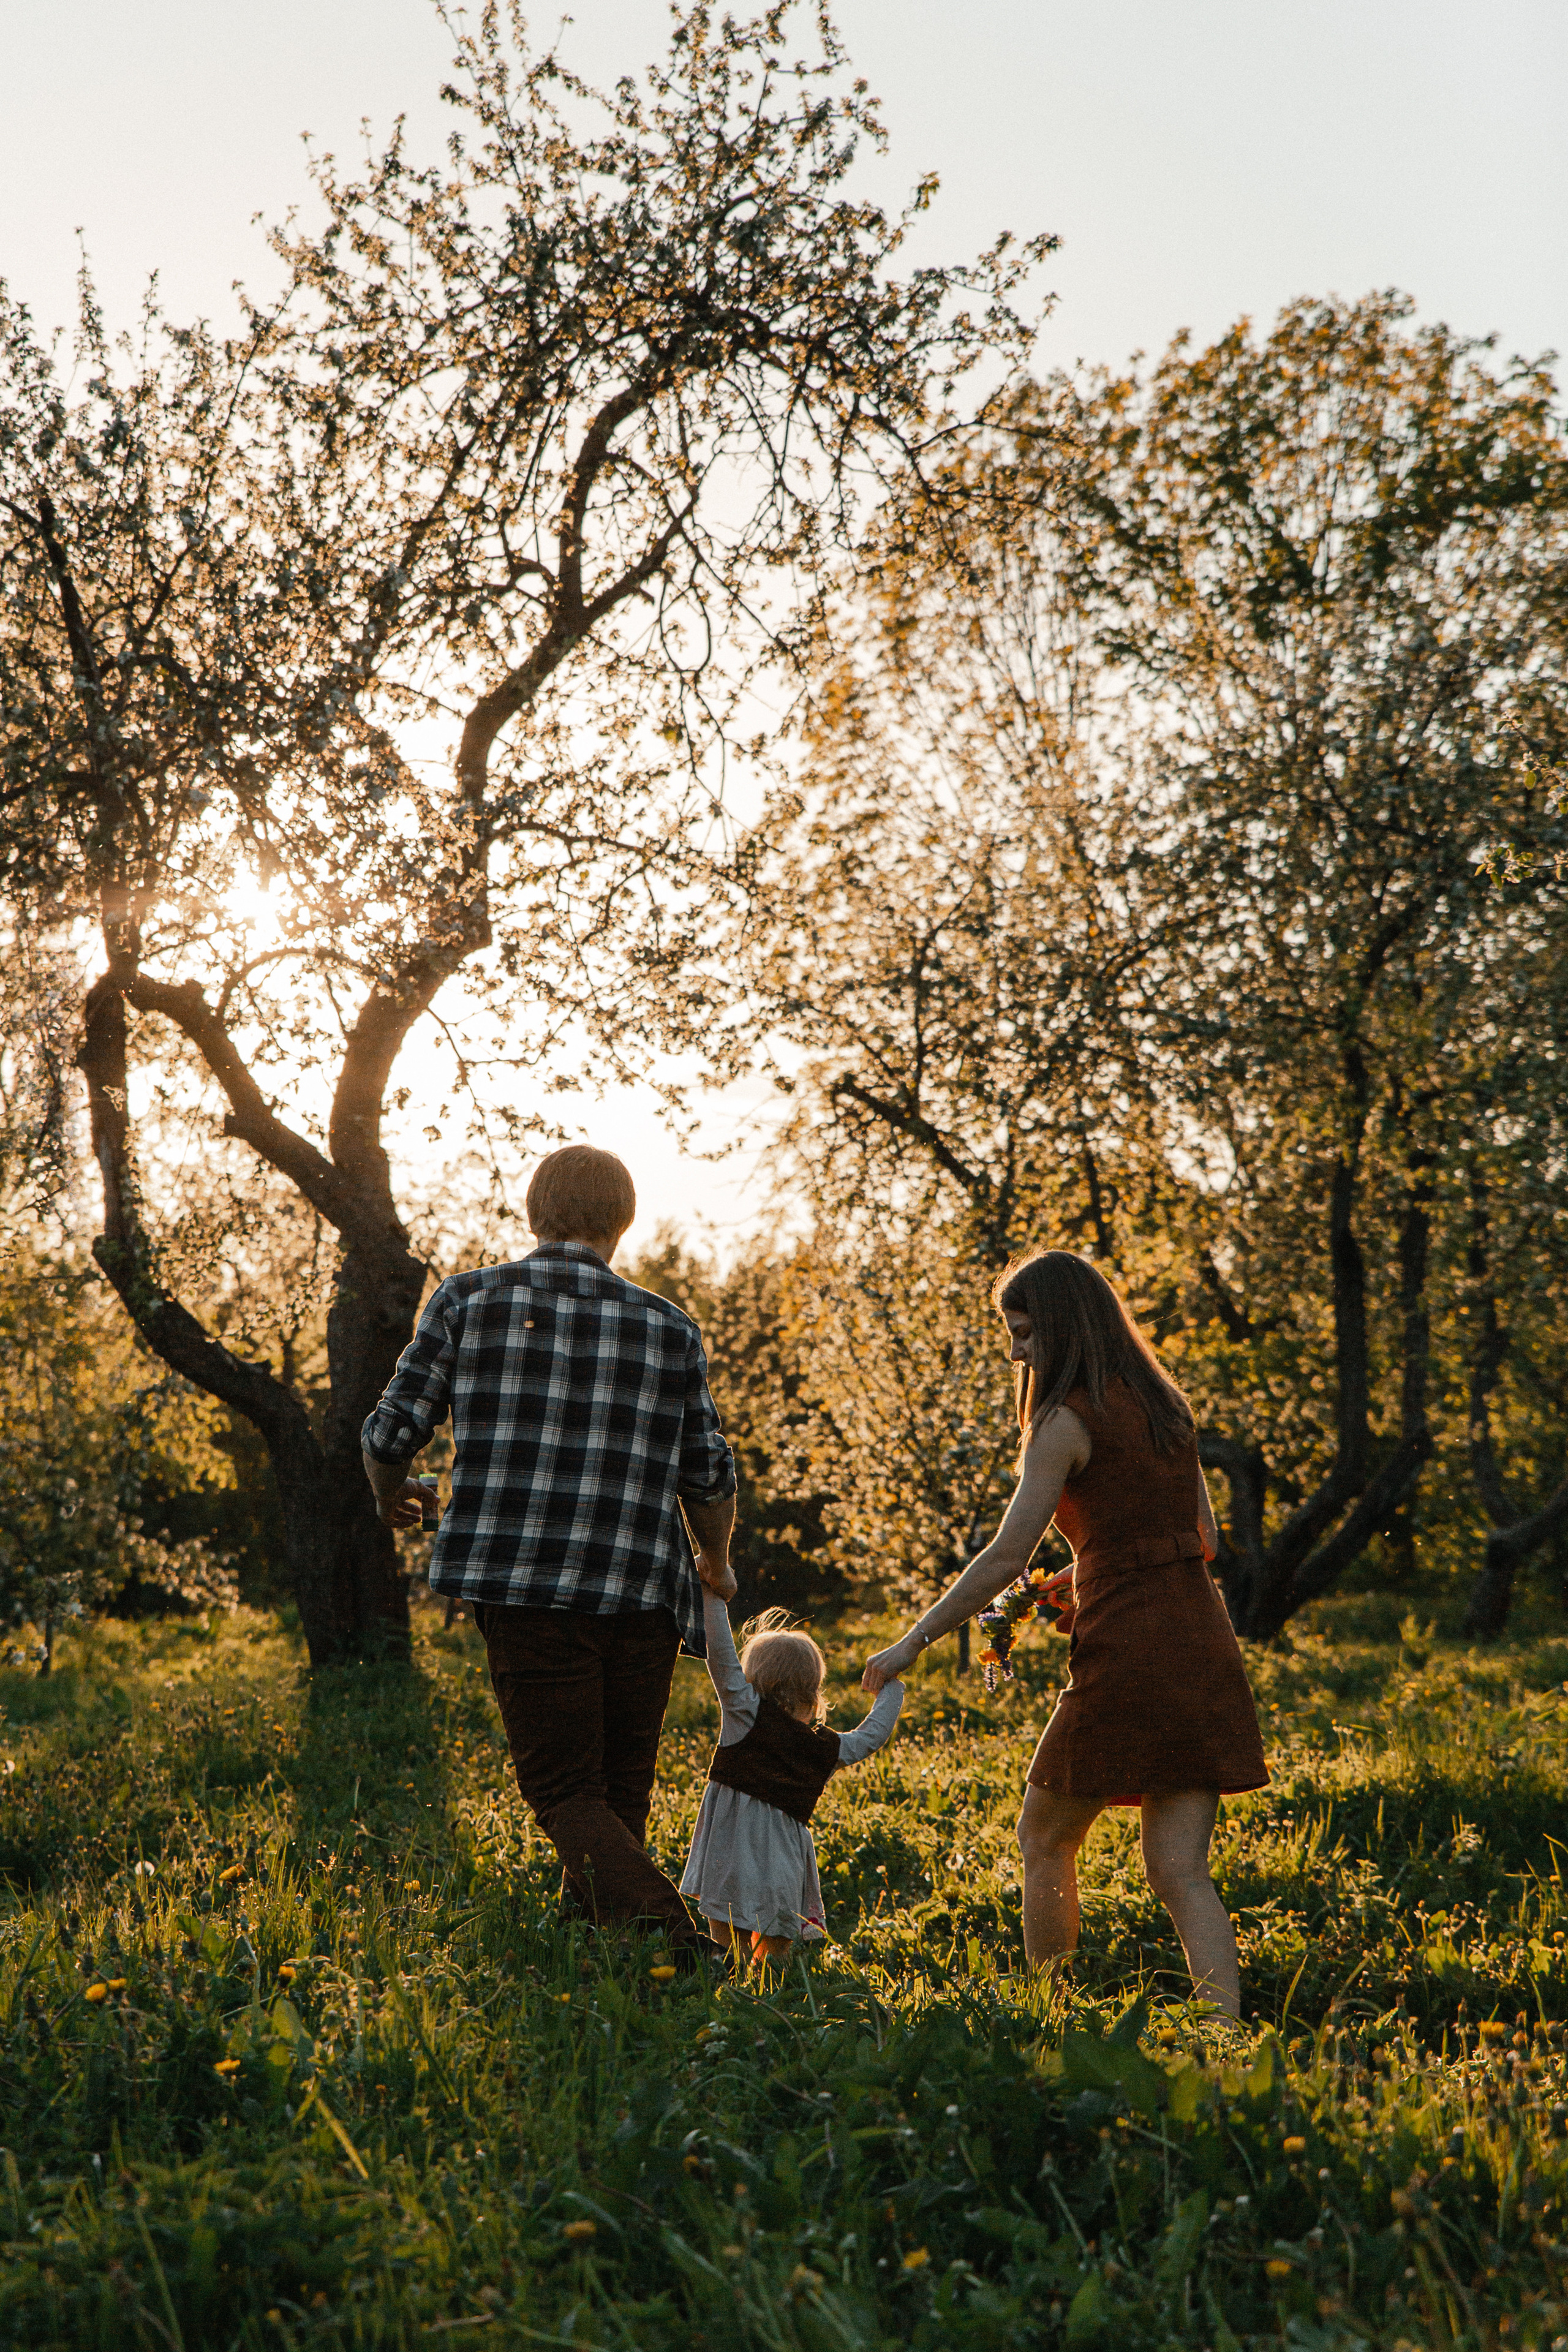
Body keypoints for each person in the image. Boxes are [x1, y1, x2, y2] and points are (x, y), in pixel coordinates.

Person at [862, 1250, 1267, 2016]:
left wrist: (912, 1641)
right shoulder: (1167, 1407)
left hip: (1129, 1652)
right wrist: (1085, 1570)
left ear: (1061, 1326)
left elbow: (1005, 1555)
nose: (1015, 1354)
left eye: (1023, 1334)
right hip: (1201, 1642)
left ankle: (1047, 2014)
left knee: (1044, 1839)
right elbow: (1202, 1538)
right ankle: (1223, 2036)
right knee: (1182, 1872)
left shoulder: (1063, 1422)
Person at [361, 1144, 736, 1966]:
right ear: (623, 1223)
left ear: (535, 1215)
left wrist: (393, 1492)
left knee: (565, 1790)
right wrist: (717, 1558)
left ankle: (681, 1951)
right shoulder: (669, 1326)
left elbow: (390, 1430)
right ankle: (605, 1953)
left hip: (524, 1588)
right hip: (641, 1591)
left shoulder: (466, 1300)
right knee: (616, 1787)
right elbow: (707, 1470)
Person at [680, 1593, 904, 1970]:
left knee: (726, 1937)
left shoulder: (744, 1715)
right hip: (783, 1860)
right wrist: (892, 1687)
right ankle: (774, 1995)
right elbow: (871, 1736)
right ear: (814, 1688)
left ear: (753, 1676)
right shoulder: (825, 1748)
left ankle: (728, 1987)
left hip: (730, 1849)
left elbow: (720, 1657)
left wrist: (713, 1595)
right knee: (776, 1944)